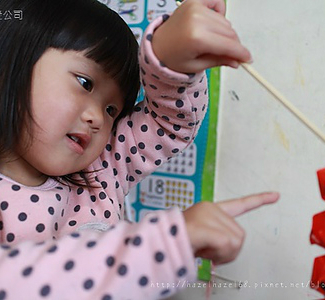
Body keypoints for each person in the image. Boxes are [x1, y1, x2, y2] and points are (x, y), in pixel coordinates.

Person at [0, 0, 279, 299]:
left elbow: (167, 124)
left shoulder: (100, 168)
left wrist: (168, 59)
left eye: (111, 109)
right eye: (85, 82)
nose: (97, 118)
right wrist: (166, 245)